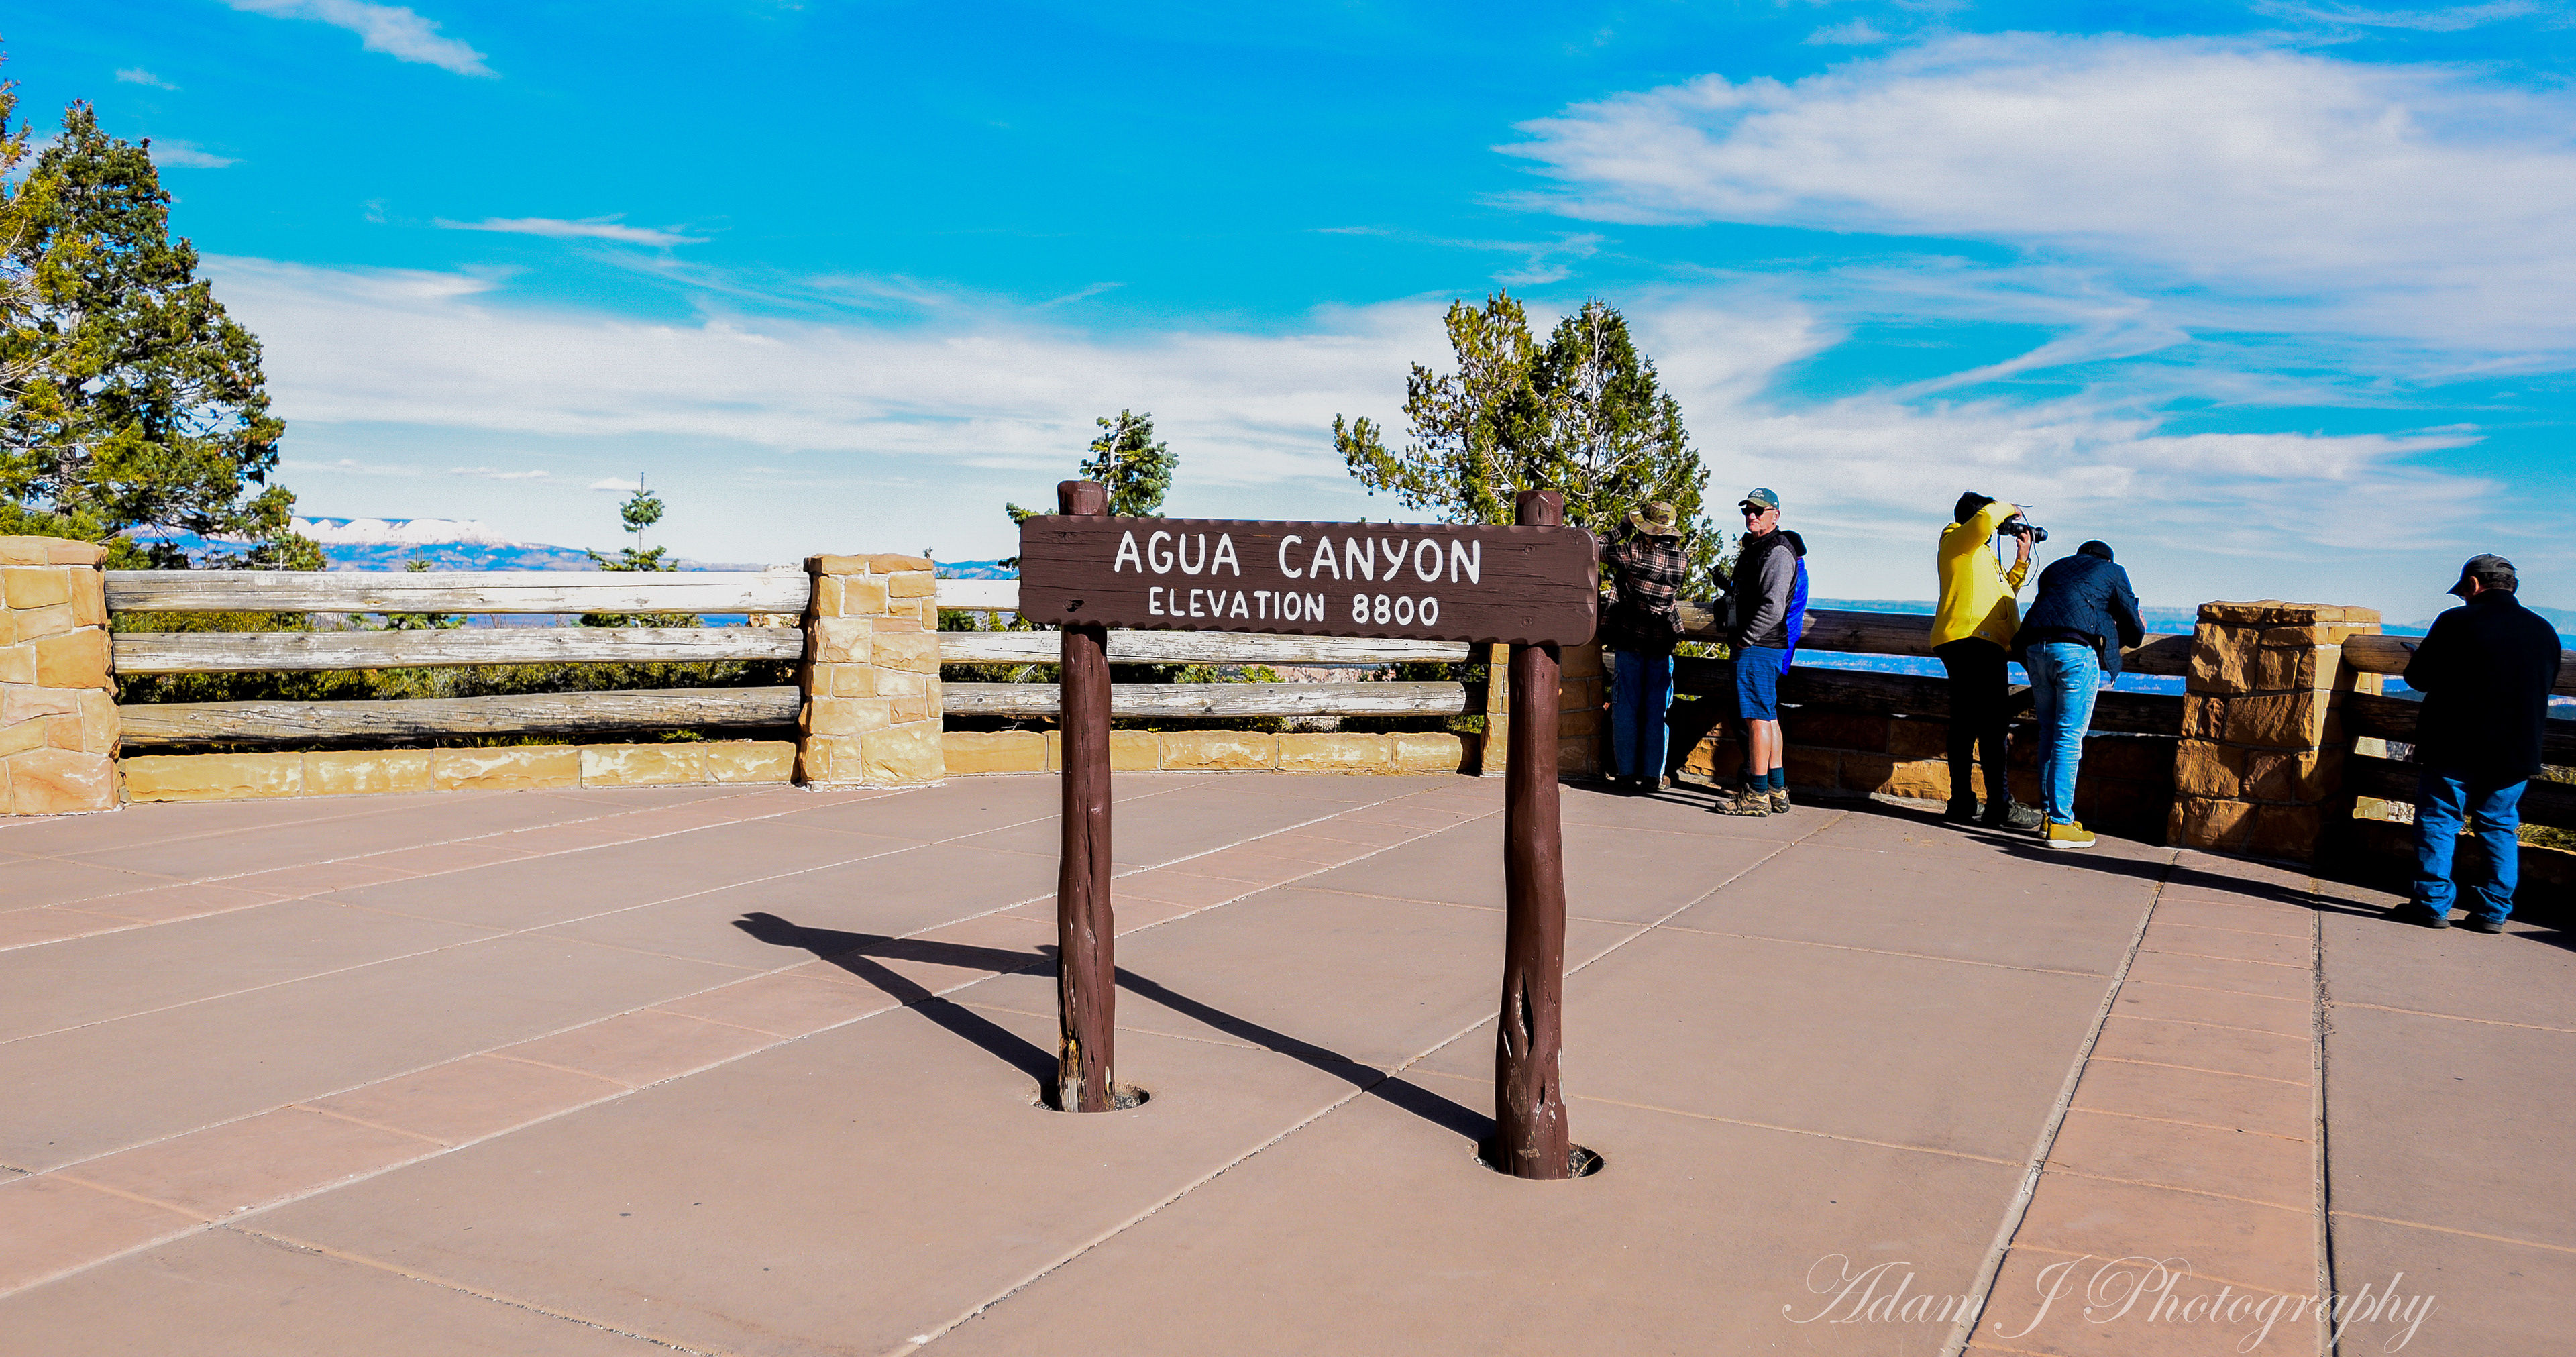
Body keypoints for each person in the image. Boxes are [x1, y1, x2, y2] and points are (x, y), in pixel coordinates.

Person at [2388, 554, 2563, 933]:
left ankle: (2431, 906)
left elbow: (2418, 679)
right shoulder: (2544, 631)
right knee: (2499, 826)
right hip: (2517, 751)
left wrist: (2422, 659)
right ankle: (2493, 913)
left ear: (2472, 585)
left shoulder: (2455, 622)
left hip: (2454, 743)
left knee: (2439, 821)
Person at [2011, 540, 2145, 849]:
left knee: (2049, 732)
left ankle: (2049, 817)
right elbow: (2134, 630)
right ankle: (2061, 823)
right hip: (2074, 651)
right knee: (2069, 737)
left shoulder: (2054, 569)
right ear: (2106, 559)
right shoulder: (2112, 571)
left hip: (2035, 648)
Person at [1933, 492, 2039, 829]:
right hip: (1973, 640)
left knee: (1966, 723)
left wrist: (2021, 559)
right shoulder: (1956, 539)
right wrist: (2011, 507)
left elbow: (2003, 595)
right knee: (1993, 726)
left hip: (1981, 642)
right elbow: (1981, 522)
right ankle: (1999, 806)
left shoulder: (1979, 556)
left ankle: (1963, 803)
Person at [1715, 488, 1795, 816]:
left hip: (1758, 647)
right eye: (1747, 510)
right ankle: (1777, 790)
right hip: (1765, 646)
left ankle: (1757, 794)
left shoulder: (1776, 552)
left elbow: (1773, 607)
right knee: (1769, 716)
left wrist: (1745, 639)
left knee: (1757, 719)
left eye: (1759, 511)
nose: (1751, 515)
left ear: (1775, 515)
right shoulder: (1760, 549)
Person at [1603, 500, 1689, 793]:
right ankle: (1653, 775)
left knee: (1625, 706)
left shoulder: (1634, 553)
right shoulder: (1682, 559)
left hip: (1630, 636)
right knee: (1657, 711)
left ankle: (1626, 773)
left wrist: (1624, 526)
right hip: (1662, 641)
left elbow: (1593, 548)